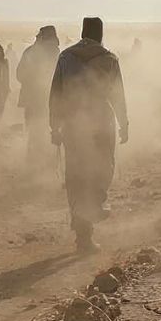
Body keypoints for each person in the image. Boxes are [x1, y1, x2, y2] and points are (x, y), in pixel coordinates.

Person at [49, 17, 129, 253]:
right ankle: (95, 205)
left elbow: (56, 94)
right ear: (100, 34)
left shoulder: (65, 57)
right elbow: (118, 95)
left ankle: (82, 234)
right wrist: (124, 122)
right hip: (102, 122)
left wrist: (54, 125)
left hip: (73, 124)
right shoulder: (109, 59)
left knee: (76, 176)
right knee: (103, 168)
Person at [17, 26, 61, 175]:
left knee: (35, 133)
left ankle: (34, 167)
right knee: (51, 132)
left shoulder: (30, 52)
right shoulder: (58, 53)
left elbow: (19, 75)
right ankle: (48, 168)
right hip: (51, 100)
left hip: (34, 100)